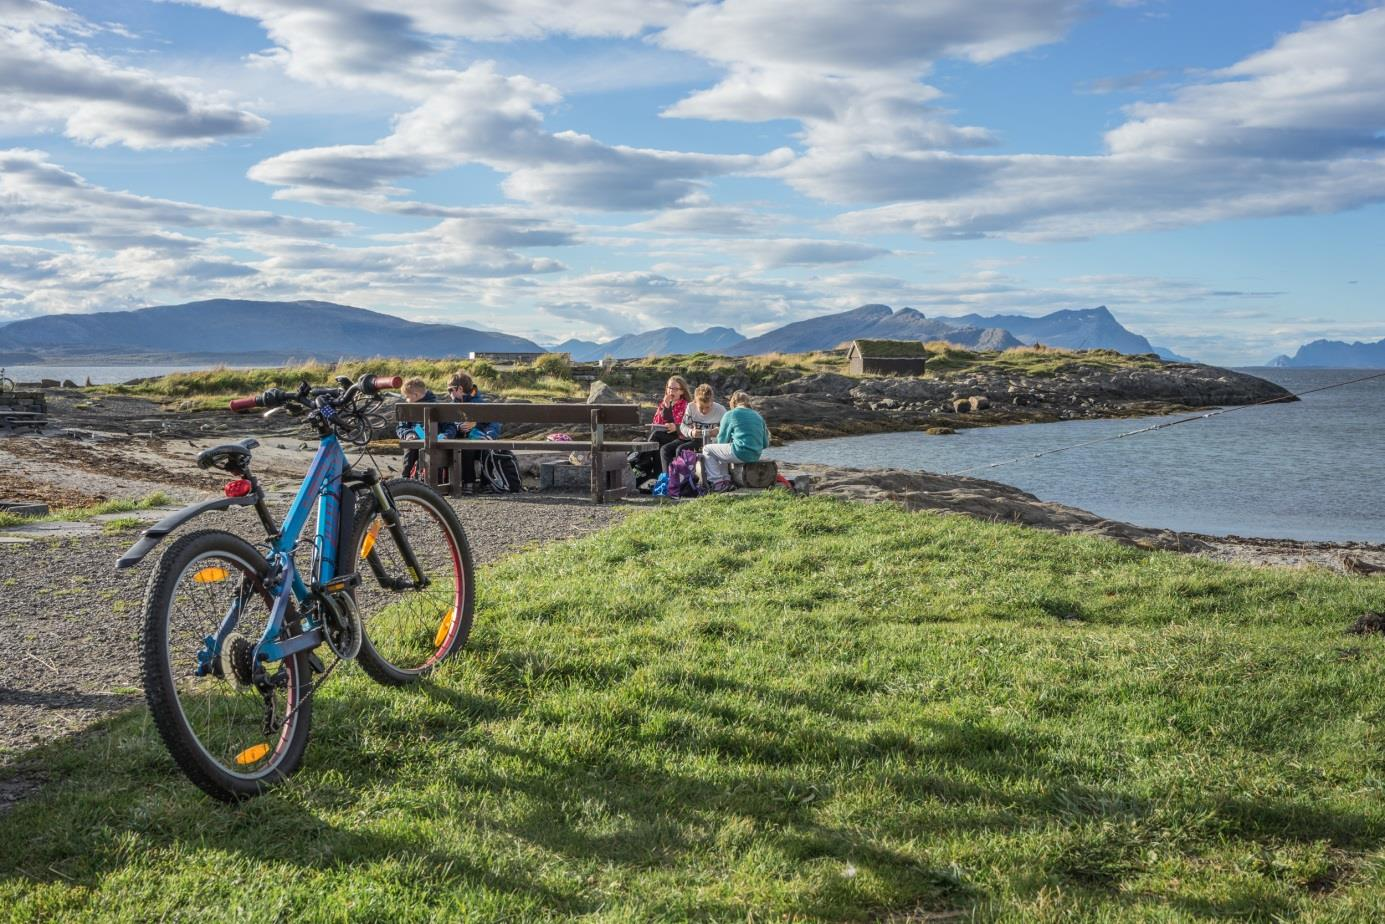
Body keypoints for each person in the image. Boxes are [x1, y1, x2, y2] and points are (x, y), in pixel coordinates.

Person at [701, 390, 769, 491]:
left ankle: (717, 482)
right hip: (755, 455)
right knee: (722, 450)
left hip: (740, 452)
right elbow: (765, 444)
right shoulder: (758, 416)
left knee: (707, 449)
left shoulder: (731, 414)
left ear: (733, 403)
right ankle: (726, 480)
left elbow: (722, 440)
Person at [447, 371, 502, 494]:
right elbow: (449, 424)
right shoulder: (452, 405)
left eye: (450, 390)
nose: (449, 393)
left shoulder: (479, 403)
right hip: (464, 441)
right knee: (467, 449)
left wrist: (487, 434)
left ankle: (487, 482)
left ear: (459, 389)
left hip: (481, 439)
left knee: (486, 448)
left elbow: (494, 424)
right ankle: (468, 482)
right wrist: (459, 426)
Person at [631, 375, 692, 485]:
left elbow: (677, 424)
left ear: (682, 392)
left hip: (678, 437)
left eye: (674, 389)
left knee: (656, 436)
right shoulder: (663, 404)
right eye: (669, 388)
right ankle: (654, 475)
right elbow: (656, 421)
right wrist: (666, 405)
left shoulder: (685, 406)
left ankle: (641, 465)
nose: (670, 391)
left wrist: (674, 423)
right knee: (643, 440)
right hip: (661, 435)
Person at [661, 383, 726, 471]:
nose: (704, 411)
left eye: (707, 407)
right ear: (695, 402)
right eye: (701, 407)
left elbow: (728, 428)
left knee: (681, 450)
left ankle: (684, 479)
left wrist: (718, 430)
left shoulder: (721, 410)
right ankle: (669, 479)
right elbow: (683, 426)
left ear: (712, 402)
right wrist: (691, 432)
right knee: (665, 449)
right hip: (694, 439)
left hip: (711, 442)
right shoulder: (691, 407)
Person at [396, 377, 451, 479]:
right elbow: (401, 427)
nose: (406, 400)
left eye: (407, 397)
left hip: (435, 440)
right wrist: (408, 433)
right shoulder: (408, 408)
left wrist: (446, 435)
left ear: (416, 395)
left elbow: (450, 426)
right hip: (416, 438)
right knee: (411, 446)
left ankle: (434, 479)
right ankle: (406, 477)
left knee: (427, 448)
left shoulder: (437, 406)